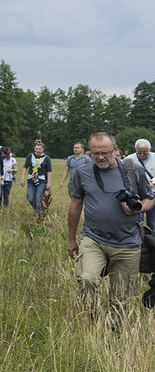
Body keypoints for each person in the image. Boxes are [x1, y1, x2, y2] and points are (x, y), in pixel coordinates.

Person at [66, 133, 154, 321]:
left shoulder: (134, 171)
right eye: (95, 153)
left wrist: (138, 209)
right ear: (89, 153)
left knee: (121, 298)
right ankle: (93, 319)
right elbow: (75, 206)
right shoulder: (83, 172)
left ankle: (114, 332)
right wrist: (71, 239)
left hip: (128, 243)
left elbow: (149, 199)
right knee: (87, 278)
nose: (100, 157)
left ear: (115, 150)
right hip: (94, 239)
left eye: (105, 153)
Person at [121, 139, 155, 230]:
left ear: (150, 149)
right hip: (136, 196)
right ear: (135, 149)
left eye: (145, 153)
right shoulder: (128, 159)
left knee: (152, 222)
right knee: (137, 221)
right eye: (139, 153)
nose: (142, 155)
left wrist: (153, 182)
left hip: (152, 195)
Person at [21, 140, 52, 215]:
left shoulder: (46, 158)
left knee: (38, 198)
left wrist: (49, 183)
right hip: (31, 180)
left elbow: (49, 171)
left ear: (43, 149)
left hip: (42, 181)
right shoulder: (30, 156)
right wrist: (22, 178)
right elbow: (25, 167)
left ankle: (38, 215)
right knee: (31, 198)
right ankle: (39, 209)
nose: (38, 150)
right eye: (36, 149)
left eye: (39, 149)